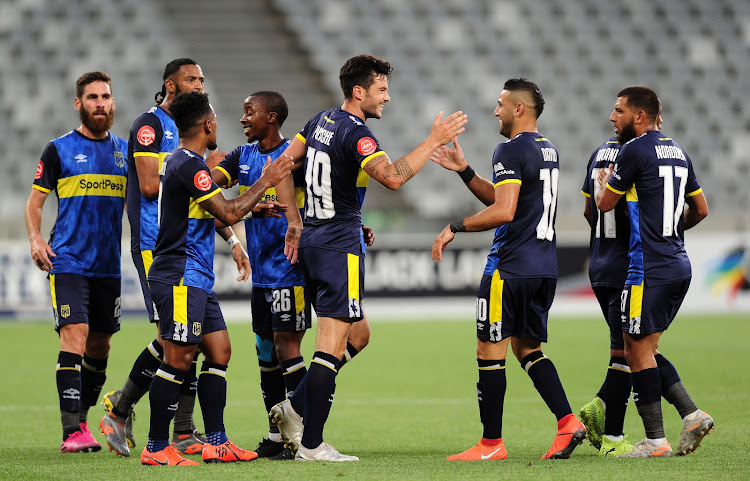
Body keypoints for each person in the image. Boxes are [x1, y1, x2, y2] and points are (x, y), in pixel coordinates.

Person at [268, 54, 467, 462]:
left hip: (316, 242)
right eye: (381, 90)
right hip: (338, 248)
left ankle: (292, 409)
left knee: (358, 335)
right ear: (359, 92)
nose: (387, 98)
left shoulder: (318, 121)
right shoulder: (359, 135)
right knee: (330, 345)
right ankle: (311, 444)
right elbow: (391, 177)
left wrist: (296, 218)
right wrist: (432, 141)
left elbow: (281, 164)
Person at [431, 78, 587, 461]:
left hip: (510, 266)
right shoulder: (547, 149)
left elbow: (504, 211)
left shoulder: (509, 149)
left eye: (501, 104)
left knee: (489, 349)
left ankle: (490, 445)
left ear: (519, 109)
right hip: (543, 267)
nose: (495, 110)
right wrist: (465, 170)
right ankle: (568, 423)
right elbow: (508, 199)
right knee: (528, 347)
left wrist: (455, 227)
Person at [100, 58, 248, 457]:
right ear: (170, 84)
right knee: (176, 341)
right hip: (158, 245)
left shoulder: (191, 143)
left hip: (189, 243)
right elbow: (149, 186)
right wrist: (193, 171)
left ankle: (177, 428)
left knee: (189, 338)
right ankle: (130, 411)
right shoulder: (151, 126)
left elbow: (201, 201)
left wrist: (232, 237)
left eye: (202, 79)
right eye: (191, 79)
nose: (199, 85)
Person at [140, 91, 295, 466]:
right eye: (217, 121)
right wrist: (266, 179)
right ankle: (157, 447)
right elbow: (225, 212)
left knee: (220, 351)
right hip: (179, 274)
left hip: (195, 276)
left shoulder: (187, 163)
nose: (221, 126)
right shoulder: (188, 164)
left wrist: (257, 210)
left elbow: (211, 211)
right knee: (178, 358)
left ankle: (217, 442)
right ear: (207, 125)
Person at [596, 85, 712, 458]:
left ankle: (655, 441)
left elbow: (605, 202)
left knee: (636, 350)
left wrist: (606, 182)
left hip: (647, 267)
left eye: (619, 111)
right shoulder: (679, 152)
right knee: (643, 347)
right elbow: (701, 210)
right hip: (678, 263)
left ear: (639, 116)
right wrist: (671, 231)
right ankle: (691, 415)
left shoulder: (633, 150)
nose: (613, 118)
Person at [24, 71, 127, 453]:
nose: (100, 103)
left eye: (105, 97)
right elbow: (35, 203)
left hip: (108, 266)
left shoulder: (125, 152)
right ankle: (71, 432)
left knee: (100, 347)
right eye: (92, 97)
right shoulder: (59, 149)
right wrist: (36, 239)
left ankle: (83, 421)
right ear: (78, 103)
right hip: (67, 260)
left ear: (113, 102)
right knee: (76, 335)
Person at [211, 91, 308, 460]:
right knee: (265, 354)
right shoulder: (242, 156)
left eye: (249, 112)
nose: (243, 119)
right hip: (262, 275)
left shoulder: (294, 160)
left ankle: (302, 435)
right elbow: (209, 189)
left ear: (271, 117)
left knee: (287, 347)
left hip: (290, 269)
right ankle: (275, 433)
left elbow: (319, 201)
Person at [577, 111, 664, 457]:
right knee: (629, 353)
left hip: (599, 261)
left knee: (629, 349)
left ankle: (601, 406)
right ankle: (611, 436)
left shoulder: (599, 153)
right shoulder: (638, 156)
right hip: (628, 266)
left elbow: (589, 210)